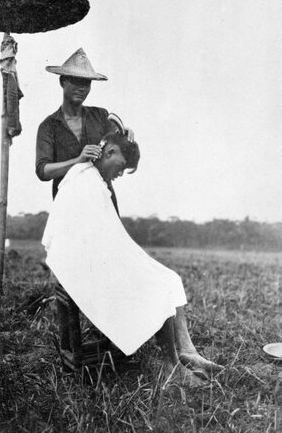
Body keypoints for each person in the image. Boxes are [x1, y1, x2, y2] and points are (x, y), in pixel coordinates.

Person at [42, 131, 224, 387]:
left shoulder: (95, 180)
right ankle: (171, 368)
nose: (121, 173)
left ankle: (187, 351)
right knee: (156, 287)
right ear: (110, 152)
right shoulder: (83, 180)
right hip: (81, 270)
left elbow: (108, 238)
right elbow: (80, 241)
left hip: (93, 261)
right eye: (121, 166)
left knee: (170, 279)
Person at [35, 47, 133, 212]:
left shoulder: (101, 116)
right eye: (76, 81)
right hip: (68, 205)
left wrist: (125, 136)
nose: (82, 88)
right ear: (62, 82)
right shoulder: (48, 126)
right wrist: (78, 160)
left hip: (102, 202)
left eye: (86, 83)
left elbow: (117, 151)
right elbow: (43, 171)